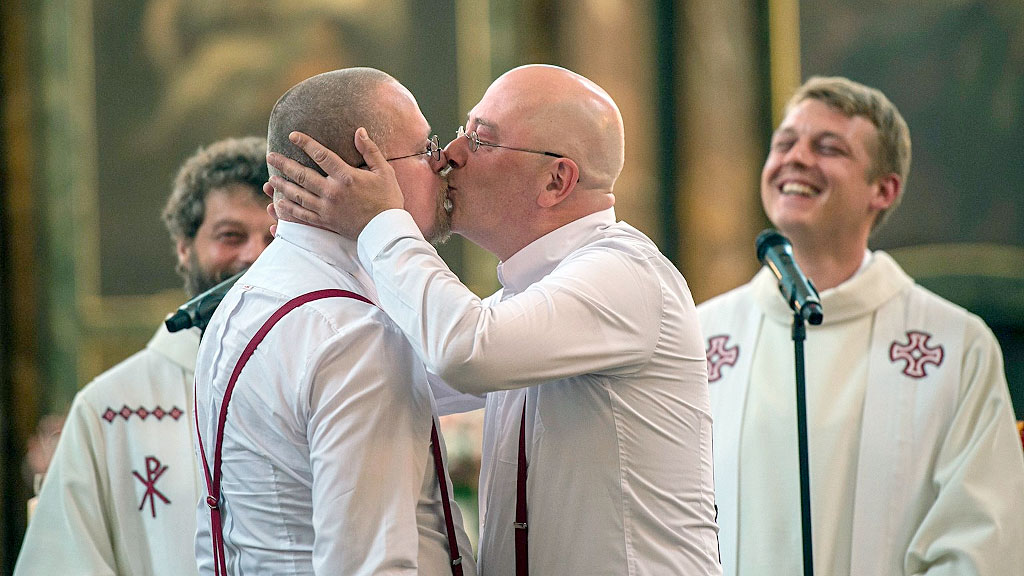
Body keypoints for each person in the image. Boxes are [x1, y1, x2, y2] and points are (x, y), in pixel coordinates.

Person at [267, 64, 721, 576]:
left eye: (480, 141)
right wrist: (293, 291)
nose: (450, 156)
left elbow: (464, 352)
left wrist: (379, 222)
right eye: (462, 131)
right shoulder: (527, 298)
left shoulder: (626, 275)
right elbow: (393, 373)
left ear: (556, 180)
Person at [696, 76, 1024, 575]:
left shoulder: (956, 348)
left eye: (828, 148)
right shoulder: (700, 337)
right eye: (785, 143)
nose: (797, 158)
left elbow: (980, 543)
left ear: (883, 189)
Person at [192, 68, 476, 576]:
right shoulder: (353, 333)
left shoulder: (242, 301)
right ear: (362, 170)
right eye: (425, 147)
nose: (442, 163)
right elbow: (368, 564)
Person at [14, 137, 275, 575]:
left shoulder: (337, 383)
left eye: (275, 237)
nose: (255, 256)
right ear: (184, 247)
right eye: (231, 236)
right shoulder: (110, 411)